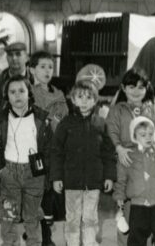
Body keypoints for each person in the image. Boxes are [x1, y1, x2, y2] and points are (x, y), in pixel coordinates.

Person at [0, 74, 53, 246]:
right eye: (12, 92)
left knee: (32, 215)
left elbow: (50, 148)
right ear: (7, 96)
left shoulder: (42, 119)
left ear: (29, 93)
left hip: (34, 170)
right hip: (9, 172)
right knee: (9, 214)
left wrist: (45, 173)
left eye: (21, 90)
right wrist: (0, 169)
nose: (17, 95)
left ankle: (34, 242)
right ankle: (10, 242)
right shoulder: (0, 120)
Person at [50, 80, 115, 246]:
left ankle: (89, 242)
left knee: (90, 217)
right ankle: (72, 243)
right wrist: (57, 177)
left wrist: (109, 176)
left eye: (89, 97)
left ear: (95, 100)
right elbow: (56, 152)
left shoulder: (101, 123)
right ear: (73, 99)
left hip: (93, 182)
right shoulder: (66, 124)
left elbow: (108, 152)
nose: (84, 101)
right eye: (80, 97)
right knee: (72, 218)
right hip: (71, 181)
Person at [113, 116, 155, 246]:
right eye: (143, 135)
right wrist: (119, 196)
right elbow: (121, 179)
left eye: (150, 134)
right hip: (138, 205)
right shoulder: (129, 155)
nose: (148, 137)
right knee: (136, 235)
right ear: (134, 136)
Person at [29, 50, 68, 245]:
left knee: (50, 191)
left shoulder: (59, 95)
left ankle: (44, 231)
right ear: (32, 69)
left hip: (53, 150)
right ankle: (40, 232)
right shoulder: (27, 92)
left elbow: (64, 119)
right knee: (37, 188)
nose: (47, 71)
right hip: (35, 151)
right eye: (42, 67)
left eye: (50, 67)